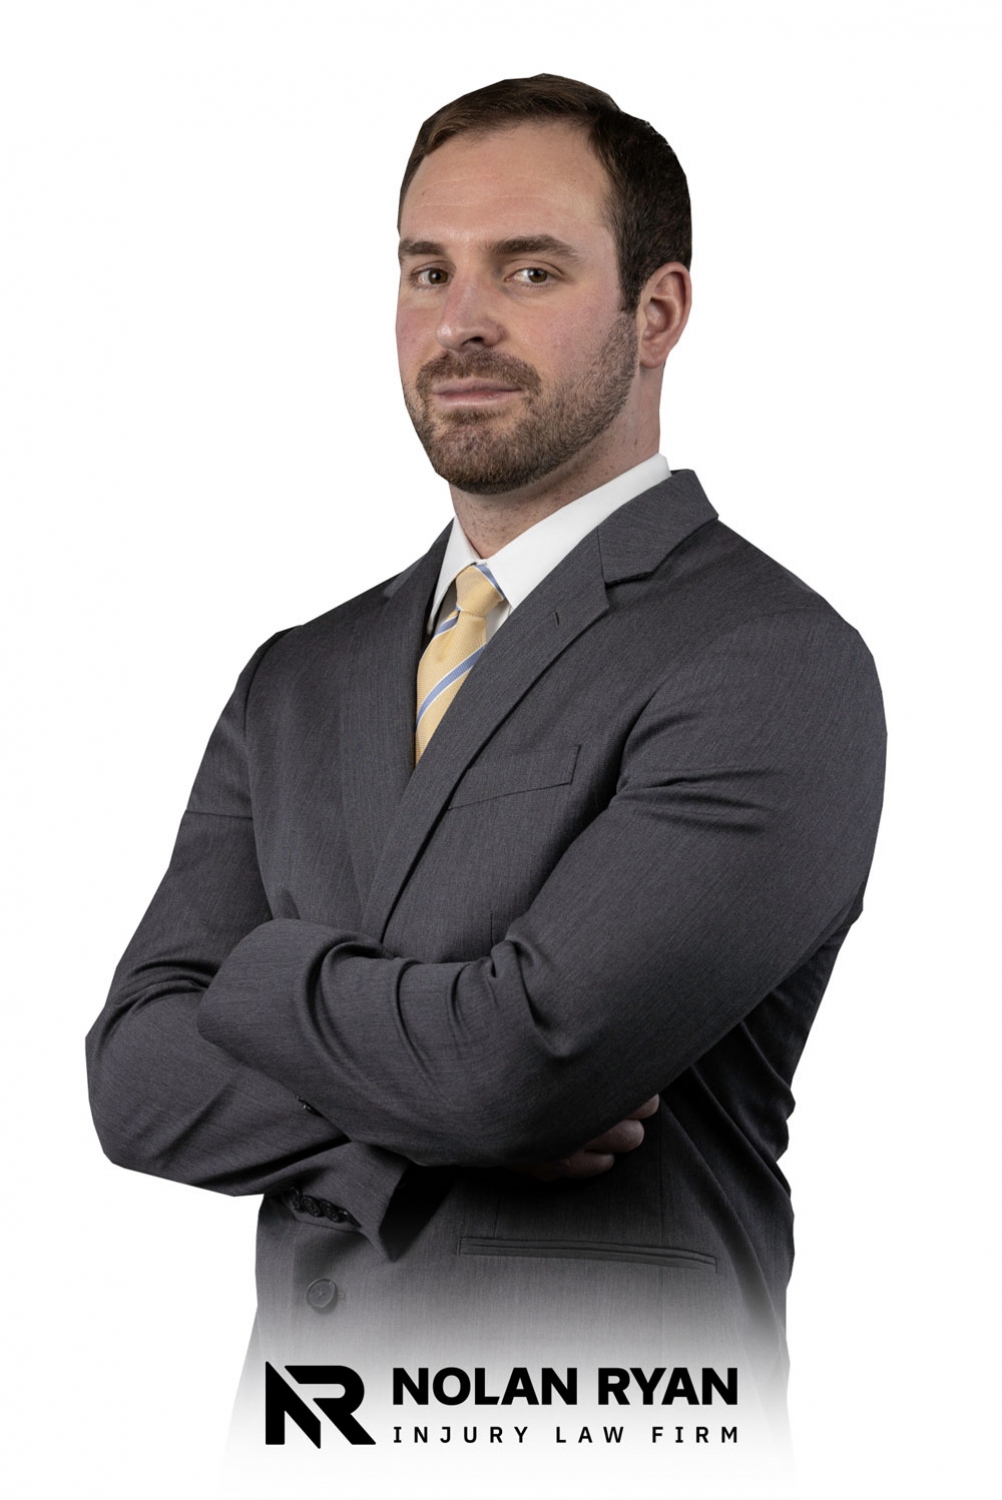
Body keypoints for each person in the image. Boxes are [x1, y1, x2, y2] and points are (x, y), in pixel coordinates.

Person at [86, 74, 885, 1466]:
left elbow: (521, 1070)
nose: (461, 320)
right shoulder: (299, 674)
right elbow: (134, 1079)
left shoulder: (769, 659)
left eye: (529, 270)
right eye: (427, 271)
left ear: (657, 313)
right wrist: (431, 1101)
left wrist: (265, 982)